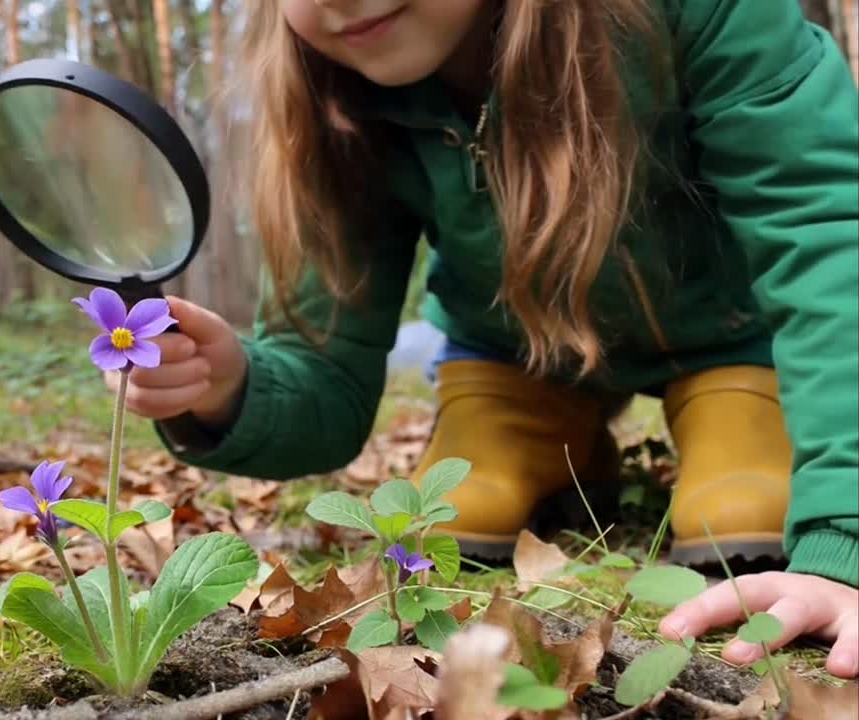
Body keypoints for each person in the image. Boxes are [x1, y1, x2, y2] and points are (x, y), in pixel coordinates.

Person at [106, 0, 859, 678]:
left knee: (739, 510)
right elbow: (323, 378)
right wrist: (230, 387)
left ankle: (736, 407)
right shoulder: (333, 103)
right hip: (512, 355)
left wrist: (845, 541)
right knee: (463, 505)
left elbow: (828, 241)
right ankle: (553, 444)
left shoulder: (704, 11)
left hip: (734, 333)